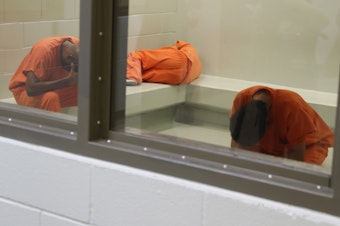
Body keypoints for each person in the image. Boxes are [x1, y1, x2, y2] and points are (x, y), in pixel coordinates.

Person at [229, 85, 334, 165]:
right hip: (272, 145)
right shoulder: (241, 99)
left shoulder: (291, 105)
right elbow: (237, 141)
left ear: (269, 121)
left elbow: (297, 155)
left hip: (308, 145)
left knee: (303, 175)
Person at [8, 36, 80, 112]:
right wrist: (67, 81)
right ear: (69, 58)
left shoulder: (79, 46)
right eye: (77, 68)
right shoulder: (44, 50)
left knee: (89, 92)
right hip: (25, 89)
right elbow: (31, 89)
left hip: (57, 86)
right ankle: (53, 123)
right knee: (50, 98)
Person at [126, 40, 202, 86]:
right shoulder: (199, 69)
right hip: (180, 78)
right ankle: (133, 77)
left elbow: (176, 45)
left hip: (180, 58)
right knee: (146, 75)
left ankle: (132, 77)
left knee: (137, 55)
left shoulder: (186, 46)